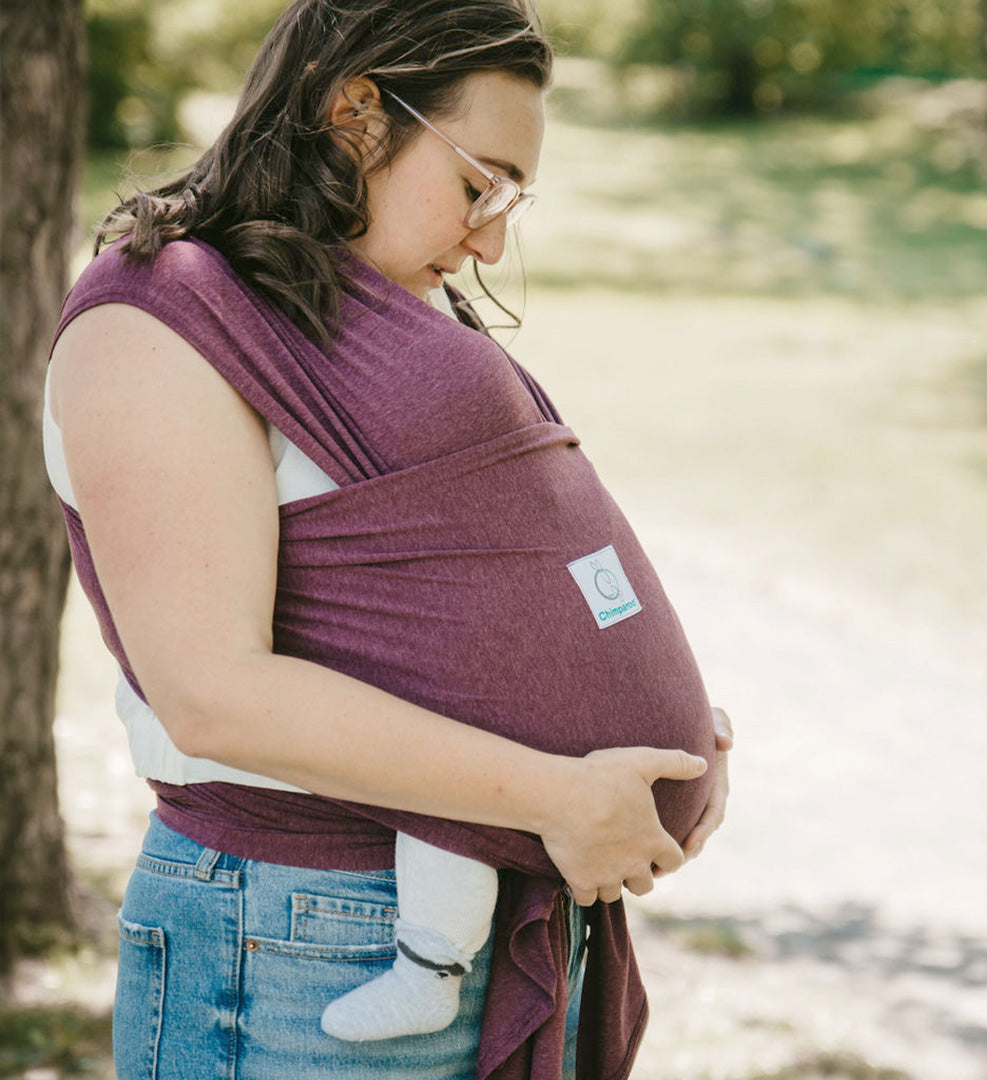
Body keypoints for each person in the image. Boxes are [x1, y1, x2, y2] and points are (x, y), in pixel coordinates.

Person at [44, 1, 734, 1077]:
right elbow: (210, 689)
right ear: (357, 115)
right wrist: (564, 797)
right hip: (303, 940)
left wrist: (666, 741)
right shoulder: (158, 320)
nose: (494, 236)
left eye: (514, 197)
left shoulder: (370, 320)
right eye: (477, 183)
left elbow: (478, 581)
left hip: (485, 912)